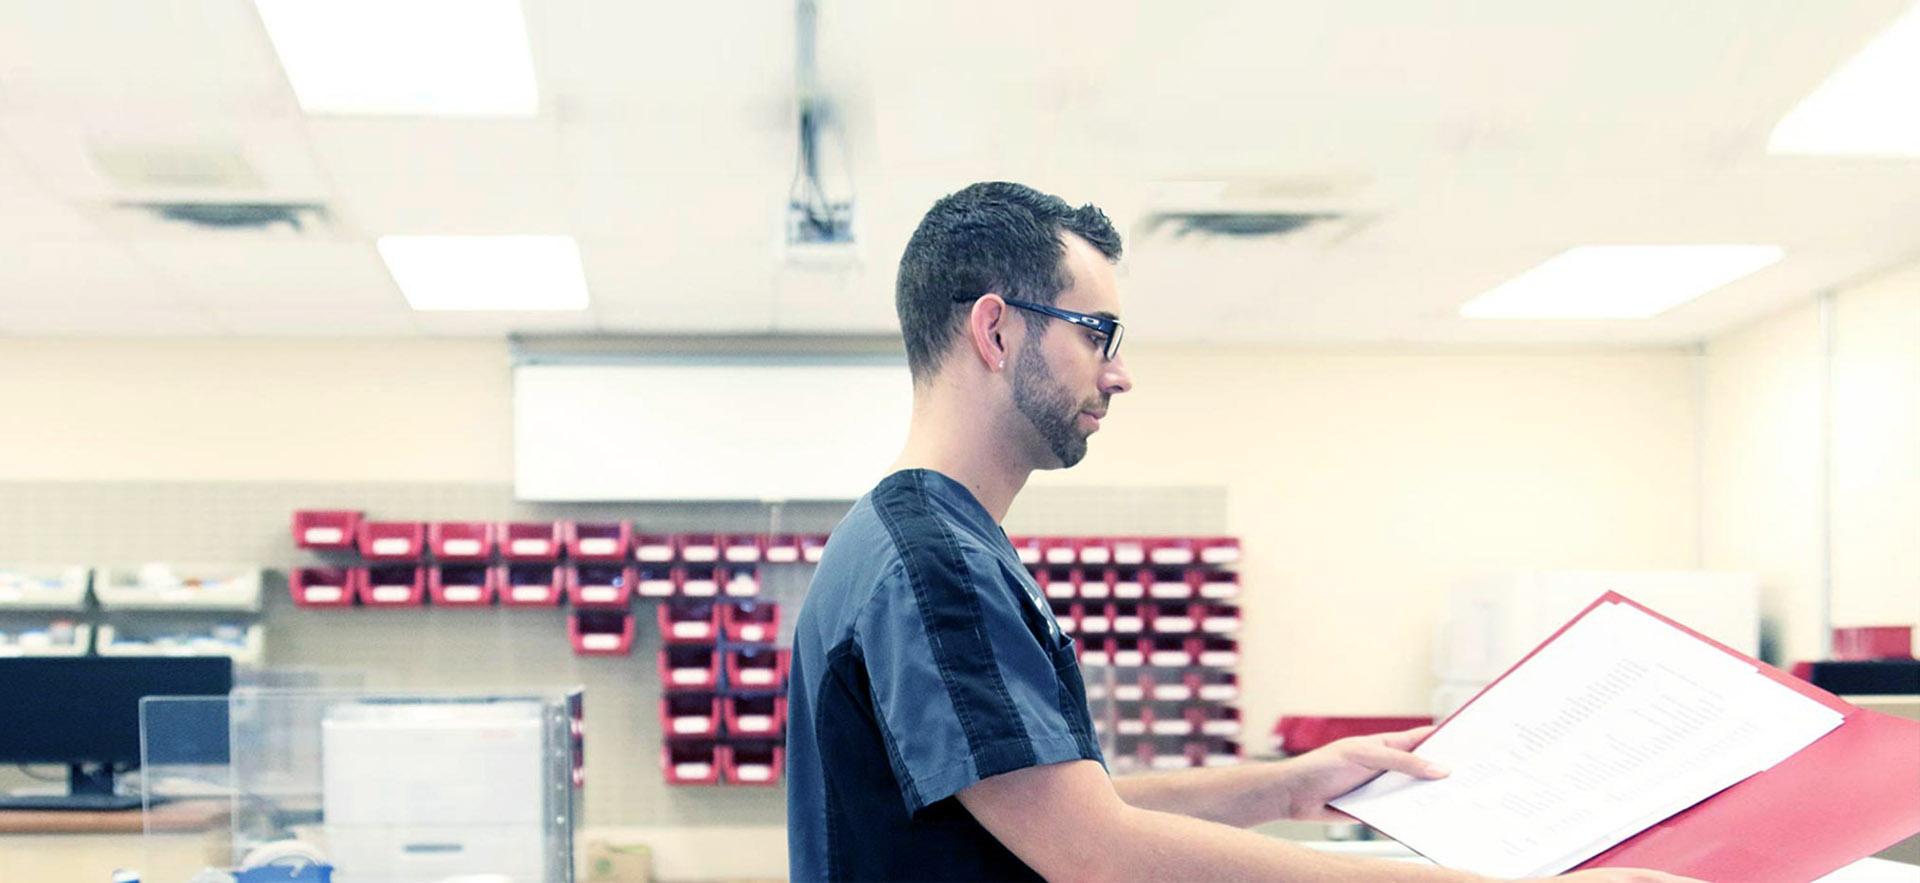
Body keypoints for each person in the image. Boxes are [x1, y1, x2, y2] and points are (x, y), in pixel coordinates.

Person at [784, 181, 1694, 883]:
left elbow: (1061, 803)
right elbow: (1095, 851)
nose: (1120, 373)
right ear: (995, 329)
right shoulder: (934, 563)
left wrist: (1295, 782)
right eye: (1098, 333)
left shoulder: (915, 538)